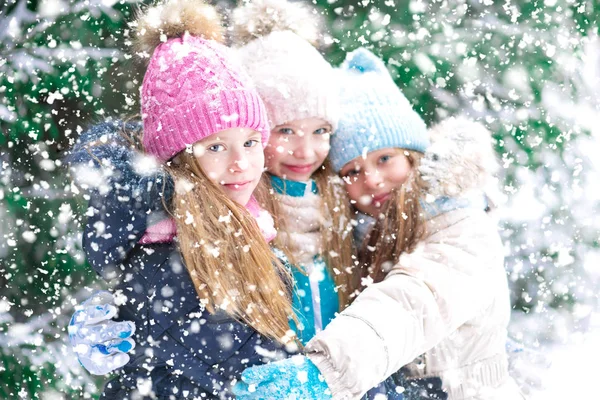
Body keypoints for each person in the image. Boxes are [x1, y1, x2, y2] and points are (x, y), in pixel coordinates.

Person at [234, 48, 522, 400]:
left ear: (414, 156)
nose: (371, 179)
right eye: (352, 170)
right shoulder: (368, 234)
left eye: (384, 158)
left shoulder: (459, 223)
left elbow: (414, 304)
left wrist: (325, 371)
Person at [67, 1, 300, 398]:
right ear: (176, 160)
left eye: (250, 141)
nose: (241, 162)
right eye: (215, 147)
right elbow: (243, 373)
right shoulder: (173, 259)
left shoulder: (239, 221)